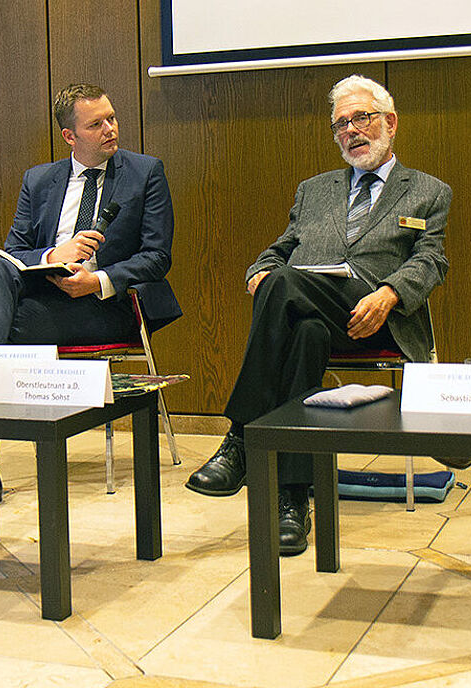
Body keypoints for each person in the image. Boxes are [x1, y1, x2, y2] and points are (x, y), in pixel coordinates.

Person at [185, 75, 451, 556]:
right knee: (302, 327)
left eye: (362, 119)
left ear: (390, 123)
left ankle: (241, 438)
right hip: (314, 313)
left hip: (375, 316)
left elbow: (432, 259)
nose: (351, 131)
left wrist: (391, 293)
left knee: (287, 287)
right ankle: (292, 500)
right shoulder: (314, 191)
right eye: (341, 124)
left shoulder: (428, 191)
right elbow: (280, 250)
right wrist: (260, 271)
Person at [0, 83, 178, 519]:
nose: (111, 129)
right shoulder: (39, 179)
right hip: (42, 303)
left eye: (112, 118)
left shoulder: (146, 172)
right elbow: (12, 251)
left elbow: (157, 256)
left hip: (107, 306)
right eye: (97, 124)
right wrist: (53, 256)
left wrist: (98, 280)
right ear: (70, 136)